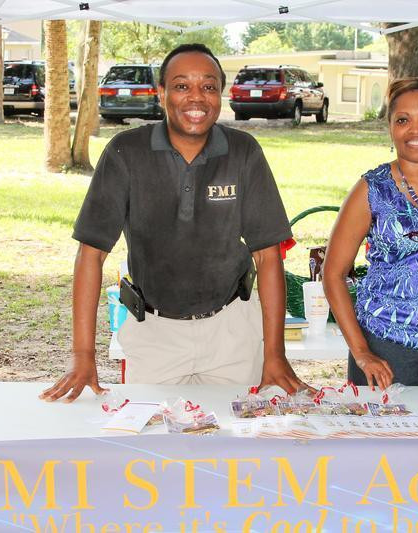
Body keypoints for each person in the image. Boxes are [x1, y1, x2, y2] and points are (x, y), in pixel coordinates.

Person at [41, 43, 307, 402]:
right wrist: (83, 356)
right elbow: (91, 254)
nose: (196, 97)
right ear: (162, 92)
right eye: (182, 86)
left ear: (221, 93)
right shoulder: (125, 152)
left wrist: (275, 355)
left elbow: (268, 255)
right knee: (150, 432)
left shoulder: (244, 152)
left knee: (236, 432)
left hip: (232, 330)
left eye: (208, 86)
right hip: (154, 333)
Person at [322, 78, 418, 389]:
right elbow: (333, 274)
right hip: (385, 346)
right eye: (403, 120)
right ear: (391, 128)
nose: (416, 130)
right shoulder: (371, 189)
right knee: (383, 423)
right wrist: (362, 353)